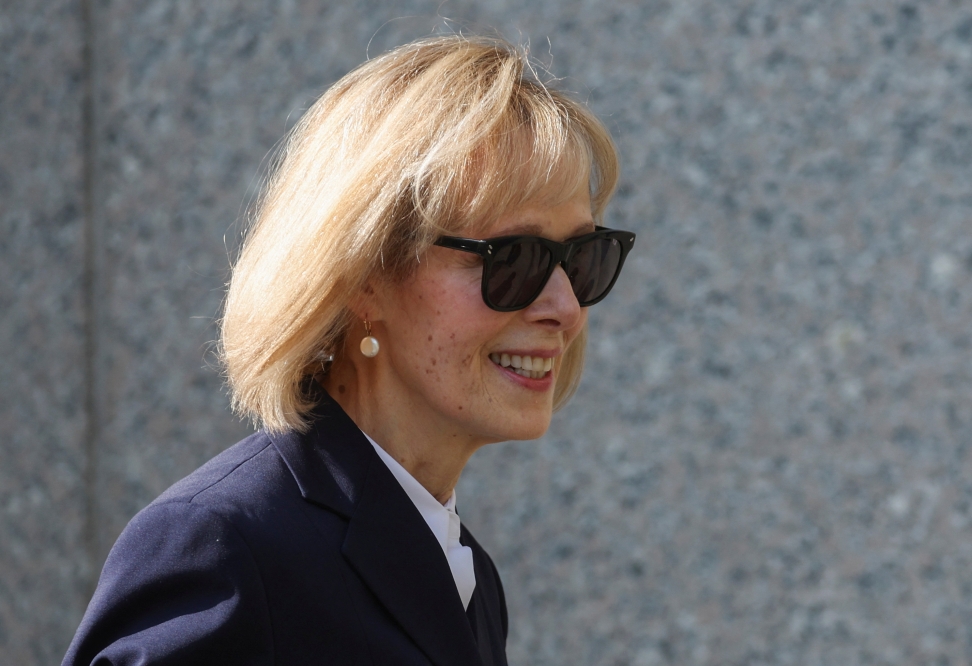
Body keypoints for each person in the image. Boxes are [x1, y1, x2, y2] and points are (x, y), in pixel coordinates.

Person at [63, 34, 635, 666]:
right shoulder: (223, 548)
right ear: (365, 277)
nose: (565, 307)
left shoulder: (463, 574)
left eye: (582, 257)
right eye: (515, 258)